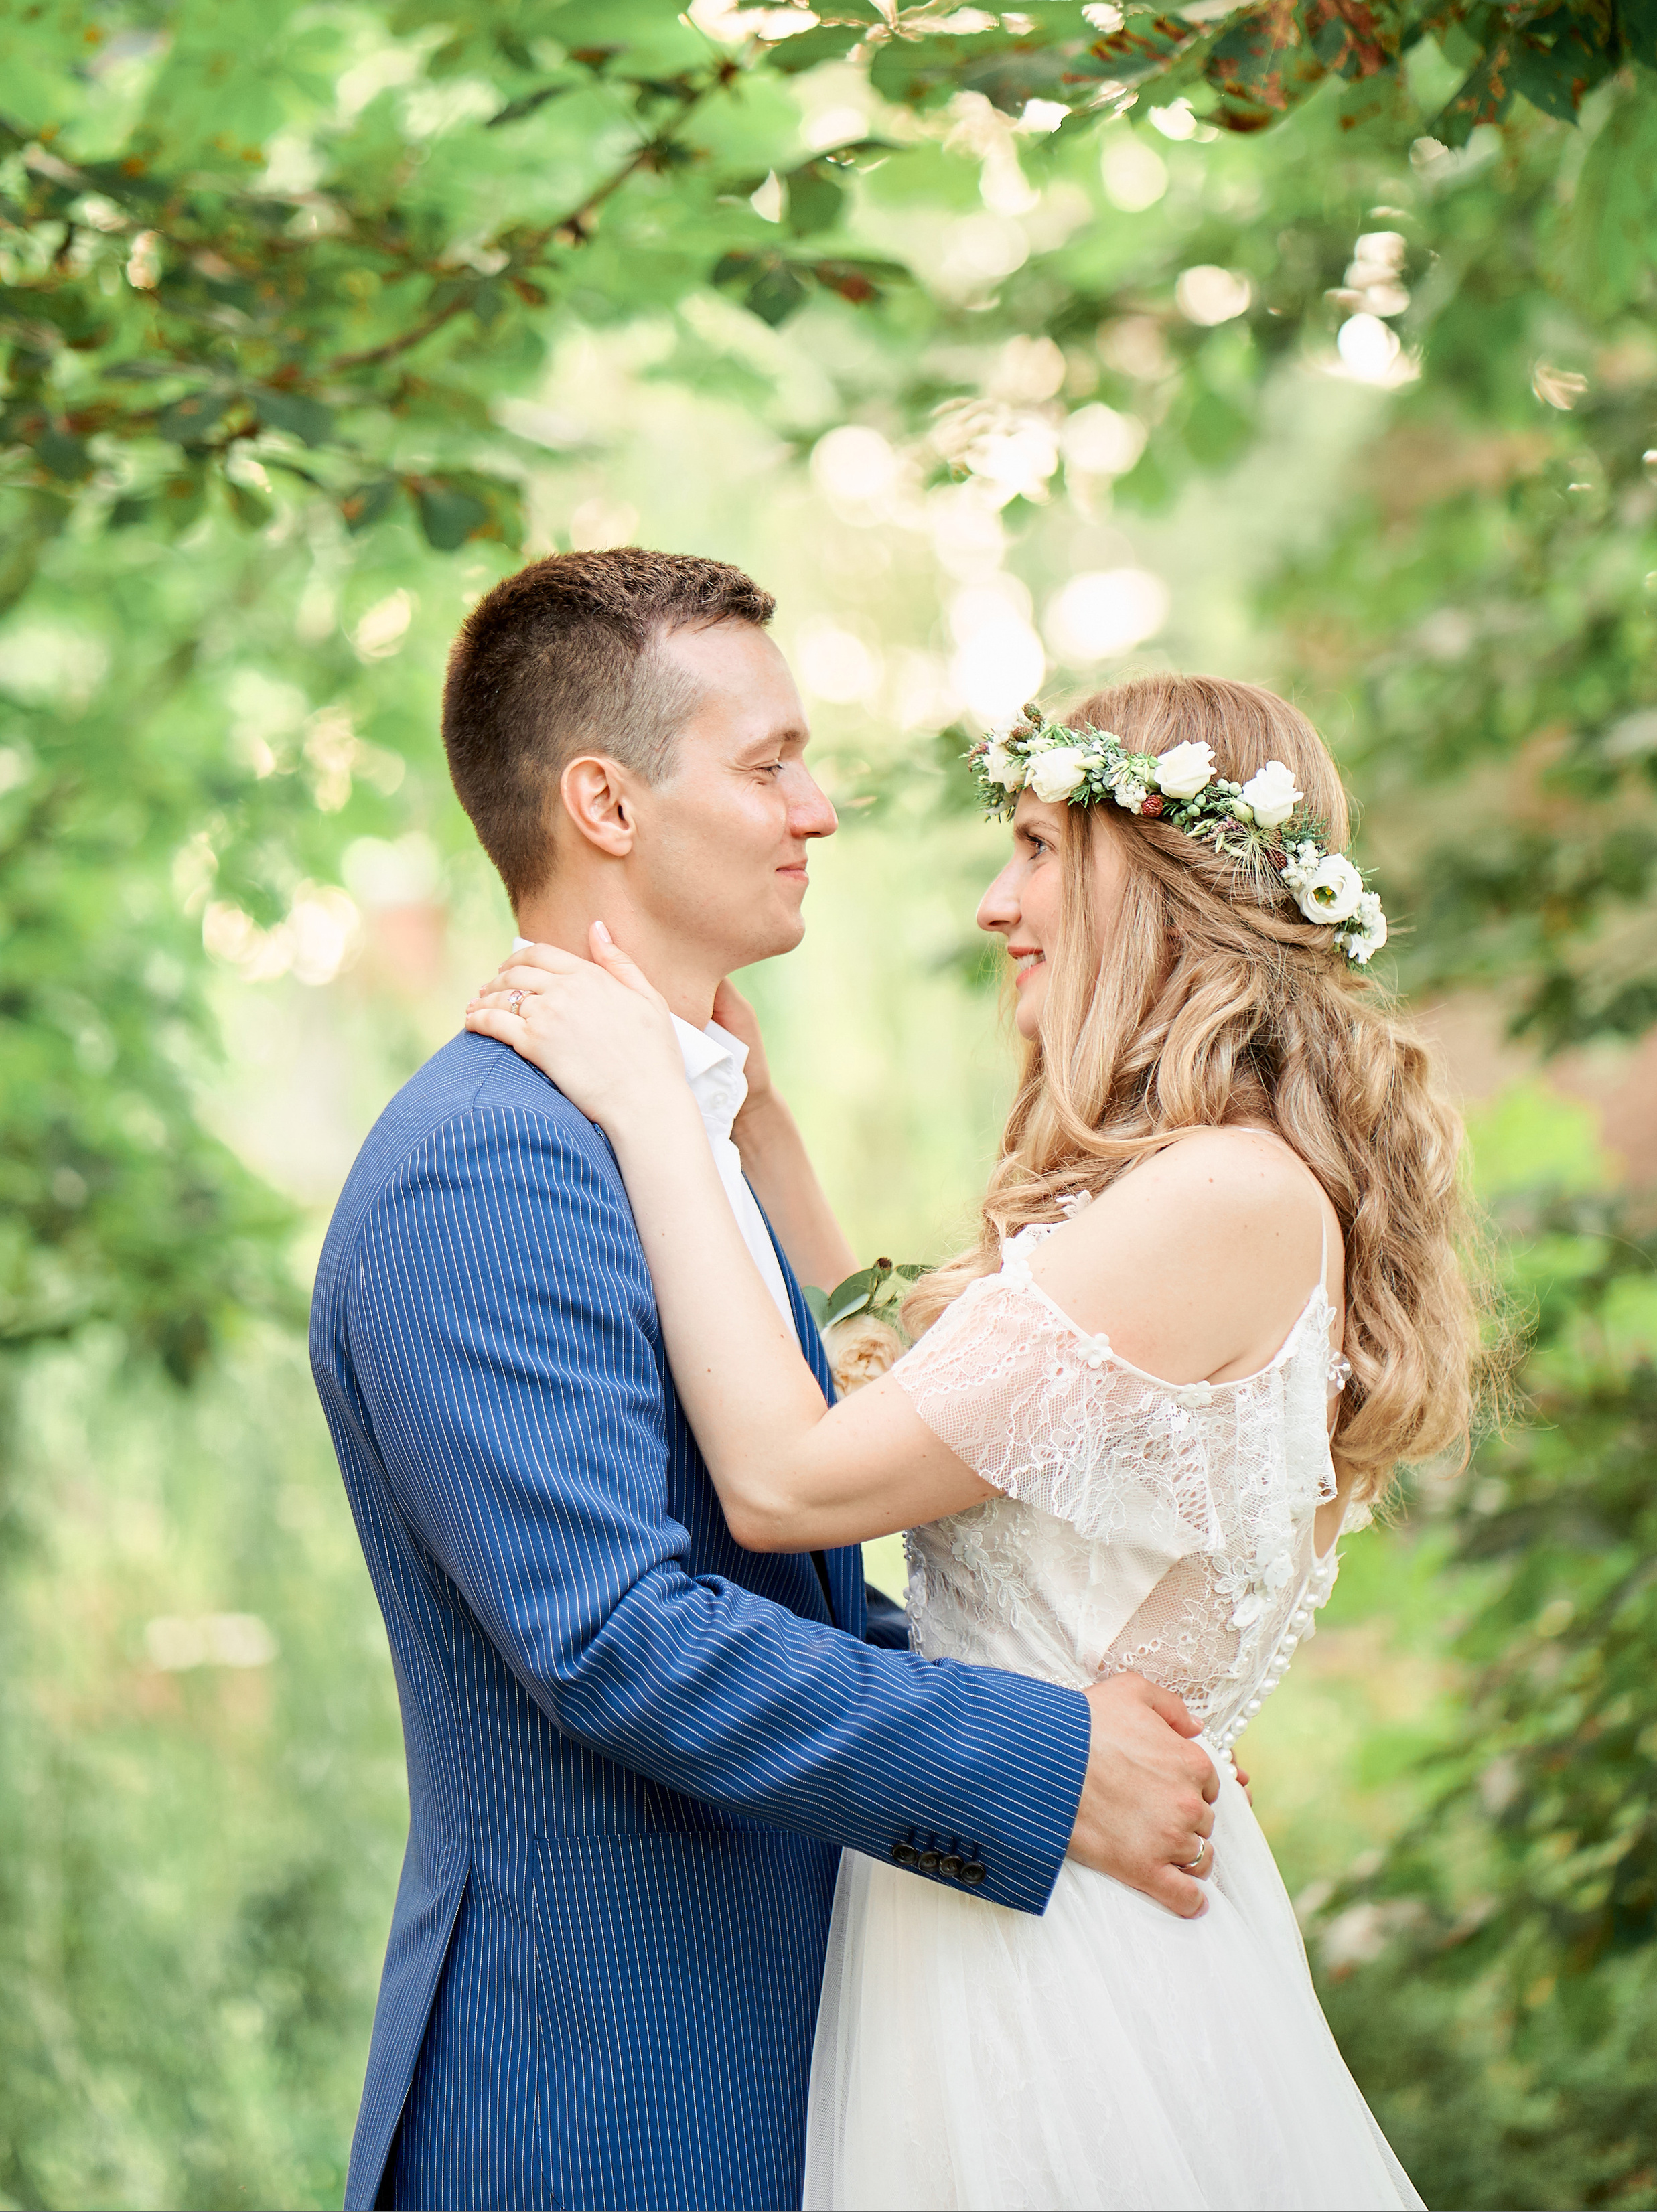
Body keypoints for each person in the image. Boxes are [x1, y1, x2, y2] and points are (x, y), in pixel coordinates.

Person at [467, 670, 1485, 2212]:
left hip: (1054, 1956)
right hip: (1009, 1888)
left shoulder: (1215, 1199)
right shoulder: (1200, 1189)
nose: (994, 903)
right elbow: (902, 1416)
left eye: (1032, 848)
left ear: (1150, 880)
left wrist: (651, 1112)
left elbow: (787, 1479)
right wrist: (756, 1131)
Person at [309, 550, 1228, 2212]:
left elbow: (778, 1588)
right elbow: (614, 1636)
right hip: (608, 2087)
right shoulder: (488, 1164)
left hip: (783, 2042)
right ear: (604, 802)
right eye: (767, 766)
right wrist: (1041, 1766)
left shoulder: (676, 1129)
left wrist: (1072, 1699)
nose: (817, 810)